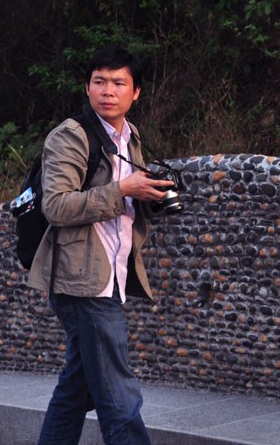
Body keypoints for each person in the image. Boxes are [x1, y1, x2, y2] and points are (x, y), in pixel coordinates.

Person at [27, 46, 175, 445]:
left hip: (112, 273)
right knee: (119, 398)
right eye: (100, 82)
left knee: (77, 390)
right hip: (82, 279)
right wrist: (123, 188)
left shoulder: (130, 136)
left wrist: (150, 196)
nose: (108, 91)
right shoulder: (70, 136)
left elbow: (125, 201)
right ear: (87, 87)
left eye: (118, 83)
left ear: (136, 92)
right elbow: (56, 205)